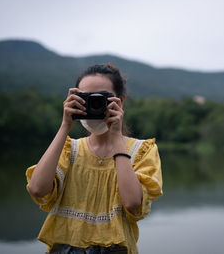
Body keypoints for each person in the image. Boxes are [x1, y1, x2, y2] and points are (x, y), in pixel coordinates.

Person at [26, 64, 163, 254]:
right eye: (85, 98)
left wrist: (116, 137)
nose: (93, 103)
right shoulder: (69, 150)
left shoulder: (142, 151)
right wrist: (65, 125)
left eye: (101, 98)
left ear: (120, 101)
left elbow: (133, 203)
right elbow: (37, 189)